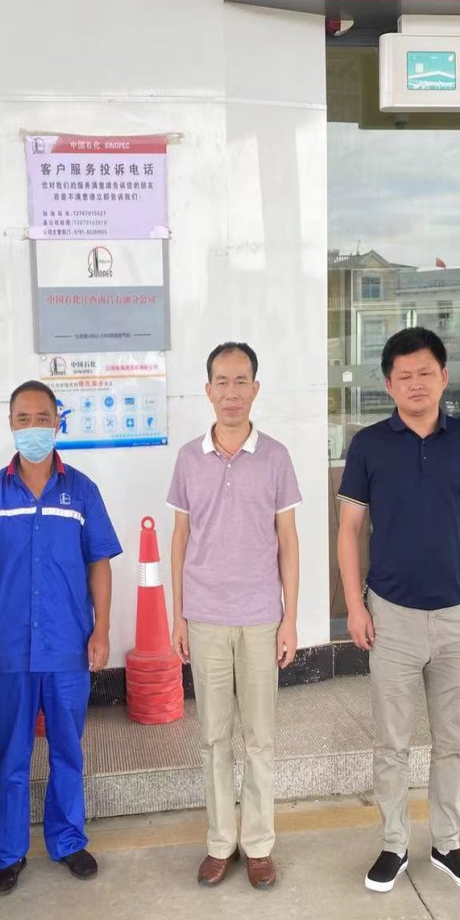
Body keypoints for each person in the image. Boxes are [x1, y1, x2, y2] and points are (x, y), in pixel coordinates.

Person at [337, 327, 460, 894]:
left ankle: (448, 844)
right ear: (388, 385)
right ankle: (393, 845)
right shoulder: (368, 445)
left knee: (454, 740)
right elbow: (349, 530)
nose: (415, 384)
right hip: (391, 615)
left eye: (425, 373)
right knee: (392, 742)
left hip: (458, 615)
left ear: (444, 377)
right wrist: (354, 607)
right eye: (404, 376)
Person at [0, 380, 122, 895]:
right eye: (23, 419)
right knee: (10, 754)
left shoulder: (82, 492)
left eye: (43, 418)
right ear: (11, 425)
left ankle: (68, 840)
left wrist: (102, 629)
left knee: (67, 749)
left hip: (67, 646)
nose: (34, 428)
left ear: (58, 423)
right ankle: (8, 853)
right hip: (9, 648)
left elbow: (99, 563)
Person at [167, 342, 301, 889]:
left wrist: (290, 619)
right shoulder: (188, 458)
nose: (231, 392)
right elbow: (180, 538)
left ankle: (259, 844)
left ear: (255, 388)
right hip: (204, 616)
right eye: (221, 381)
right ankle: (221, 842)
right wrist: (178, 616)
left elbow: (288, 540)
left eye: (241, 381)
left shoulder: (275, 457)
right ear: (208, 390)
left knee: (260, 737)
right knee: (214, 736)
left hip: (260, 616)